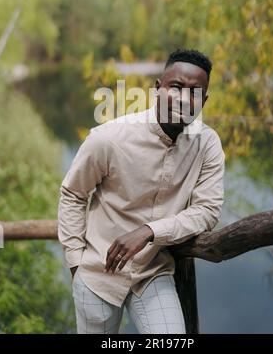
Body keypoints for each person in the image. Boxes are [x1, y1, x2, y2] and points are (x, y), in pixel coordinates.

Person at [58, 48, 225, 334]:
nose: (184, 99)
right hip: (98, 273)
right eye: (176, 87)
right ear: (157, 89)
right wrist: (76, 264)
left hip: (153, 272)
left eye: (195, 92)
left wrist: (149, 231)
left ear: (204, 101)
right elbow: (73, 194)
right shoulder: (109, 139)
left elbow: (207, 211)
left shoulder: (207, 145)